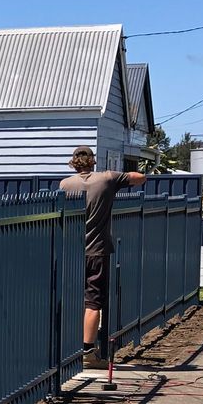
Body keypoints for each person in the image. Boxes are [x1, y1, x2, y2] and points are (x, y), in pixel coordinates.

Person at [58, 147, 146, 368]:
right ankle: (88, 353)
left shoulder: (65, 184)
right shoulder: (107, 178)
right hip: (97, 250)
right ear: (92, 162)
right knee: (93, 302)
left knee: (70, 300)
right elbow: (140, 178)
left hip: (71, 252)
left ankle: (68, 349)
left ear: (74, 163)